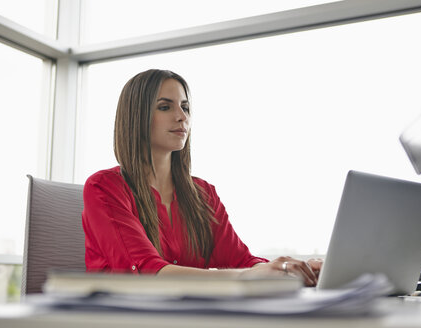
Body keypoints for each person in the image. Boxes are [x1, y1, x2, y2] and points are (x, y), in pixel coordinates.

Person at [82, 69, 322, 286]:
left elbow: (240, 260)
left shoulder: (203, 193)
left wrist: (285, 270)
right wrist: (253, 274)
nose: (181, 117)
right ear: (136, 117)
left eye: (185, 107)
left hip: (190, 315)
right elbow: (146, 272)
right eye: (165, 107)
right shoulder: (103, 187)